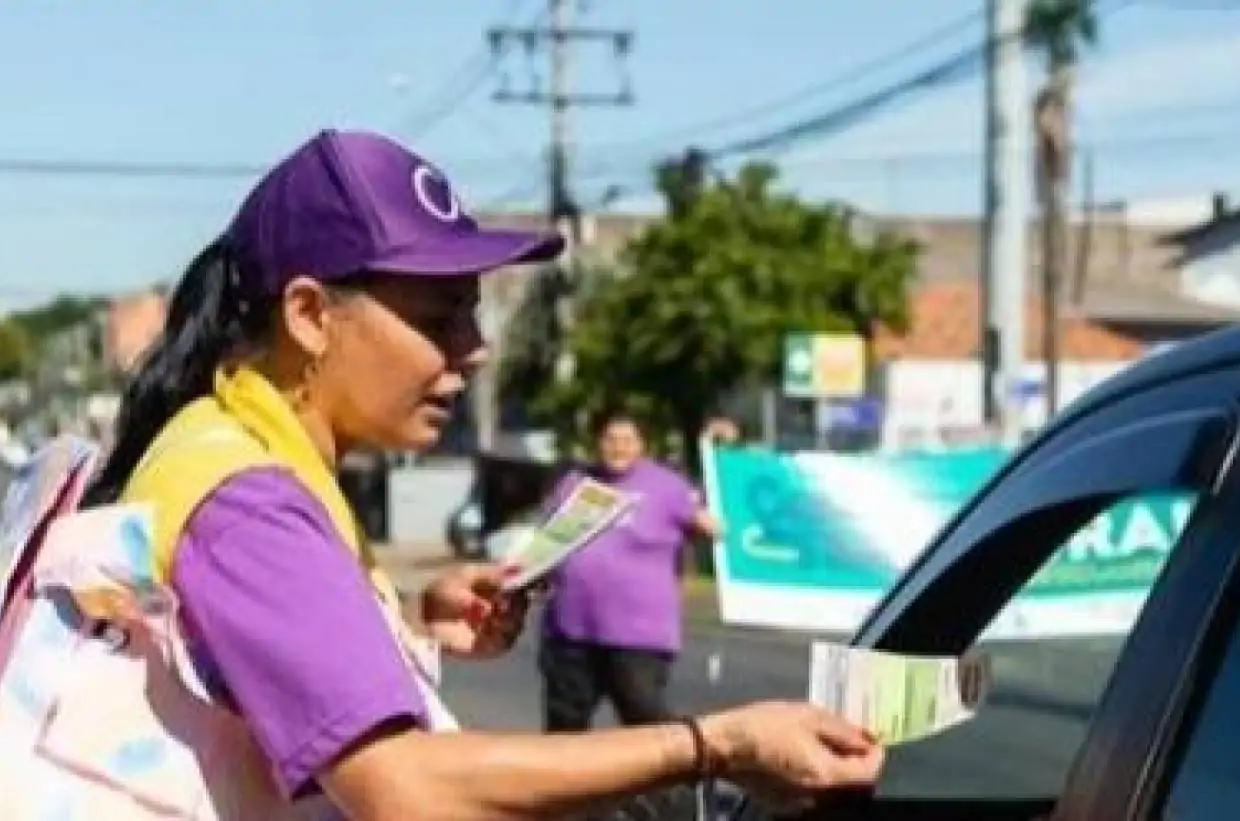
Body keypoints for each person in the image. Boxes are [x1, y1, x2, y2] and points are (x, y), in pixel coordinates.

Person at [79, 128, 885, 820]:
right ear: (309, 315)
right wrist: (718, 743)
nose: (475, 347)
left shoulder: (237, 441)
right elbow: (408, 792)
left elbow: (246, 683)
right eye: (439, 319)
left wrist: (409, 634)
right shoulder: (247, 497)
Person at [538, 411, 720, 732]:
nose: (618, 448)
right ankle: (572, 783)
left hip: (638, 635)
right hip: (572, 629)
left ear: (642, 445)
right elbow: (549, 541)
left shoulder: (667, 487)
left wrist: (711, 526)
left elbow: (707, 524)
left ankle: (674, 780)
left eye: (627, 441)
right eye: (610, 440)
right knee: (564, 725)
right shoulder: (576, 483)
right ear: (597, 443)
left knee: (644, 718)